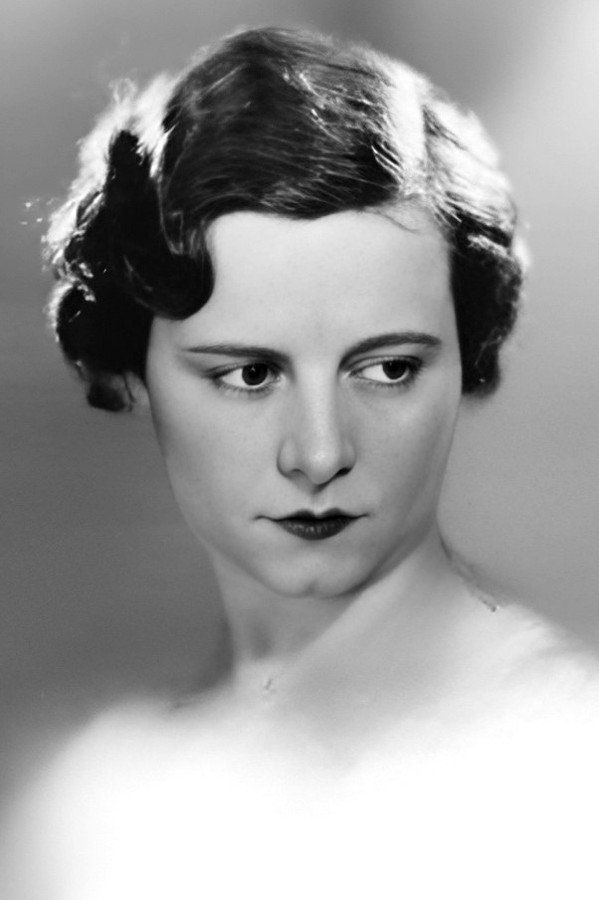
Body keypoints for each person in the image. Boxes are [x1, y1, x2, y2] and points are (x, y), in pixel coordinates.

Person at [4, 25, 598, 900]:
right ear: (131, 375)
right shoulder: (97, 809)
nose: (319, 453)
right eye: (249, 374)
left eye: (387, 369)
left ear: (465, 361)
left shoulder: (574, 773)